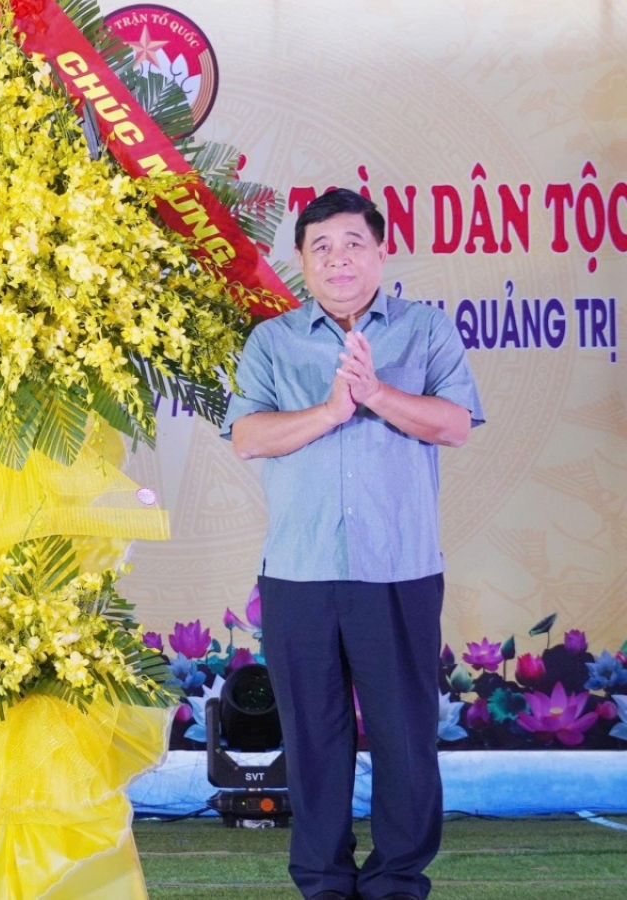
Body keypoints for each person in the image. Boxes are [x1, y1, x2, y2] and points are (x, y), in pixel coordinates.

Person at [223, 188, 484, 900]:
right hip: (300, 573)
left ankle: (397, 879)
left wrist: (375, 395)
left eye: (352, 244)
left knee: (405, 737)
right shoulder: (272, 341)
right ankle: (324, 881)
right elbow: (248, 437)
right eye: (322, 248)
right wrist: (331, 410)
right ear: (302, 260)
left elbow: (455, 424)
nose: (338, 260)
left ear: (380, 252)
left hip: (398, 569)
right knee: (313, 739)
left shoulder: (425, 330)